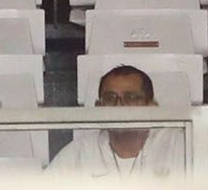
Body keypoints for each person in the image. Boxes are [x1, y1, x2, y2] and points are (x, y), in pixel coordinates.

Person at [47, 66, 189, 178]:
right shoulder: (78, 154)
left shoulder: (180, 147)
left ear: (152, 106)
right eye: (110, 98)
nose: (120, 105)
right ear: (99, 107)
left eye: (131, 98)